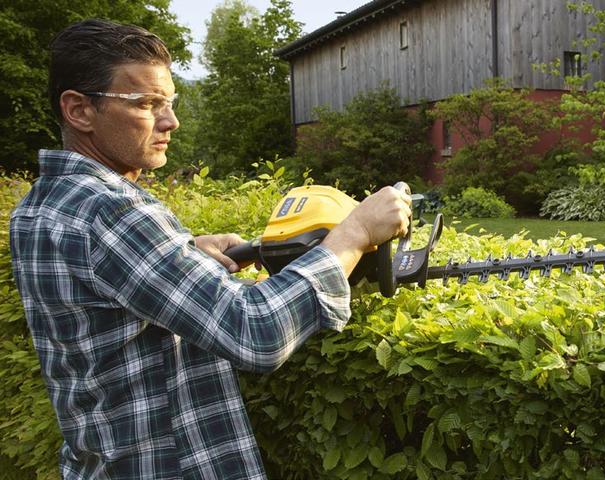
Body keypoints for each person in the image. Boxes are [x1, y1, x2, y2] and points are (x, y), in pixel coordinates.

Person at [9, 19, 411, 479]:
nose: (170, 121)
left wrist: (183, 252)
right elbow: (254, 331)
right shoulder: (109, 211)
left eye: (170, 102)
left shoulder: (43, 205)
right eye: (146, 103)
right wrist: (353, 233)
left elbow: (105, 297)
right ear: (79, 110)